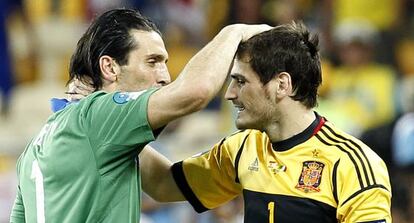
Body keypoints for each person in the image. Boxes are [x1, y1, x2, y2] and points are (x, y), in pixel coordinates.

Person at [9, 8, 270, 222]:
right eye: (153, 62)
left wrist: (244, 164)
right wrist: (234, 32)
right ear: (109, 67)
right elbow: (196, 92)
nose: (165, 77)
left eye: (165, 63)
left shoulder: (40, 145)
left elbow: (165, 184)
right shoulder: (98, 116)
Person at [137, 21, 392, 223]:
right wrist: (119, 128)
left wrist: (232, 31)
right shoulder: (243, 148)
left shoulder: (352, 164)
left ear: (282, 85)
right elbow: (164, 185)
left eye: (241, 81)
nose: (230, 94)